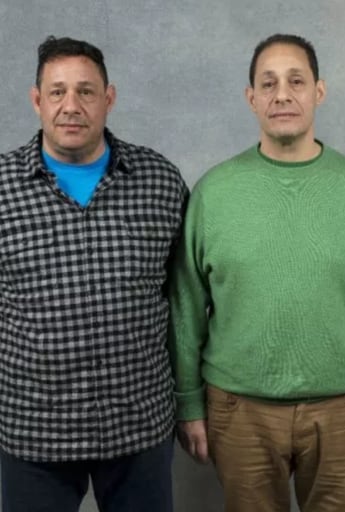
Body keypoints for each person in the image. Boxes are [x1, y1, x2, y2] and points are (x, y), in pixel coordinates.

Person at [168, 33, 345, 512]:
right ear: (251, 98)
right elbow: (186, 308)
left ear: (319, 92)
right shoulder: (214, 193)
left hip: (343, 409)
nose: (282, 94)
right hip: (239, 411)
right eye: (268, 83)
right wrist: (188, 403)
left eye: (295, 81)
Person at [0, 36, 188, 512]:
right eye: (57, 91)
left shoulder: (160, 181)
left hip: (139, 428)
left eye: (86, 91)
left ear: (109, 98)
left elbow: (185, 298)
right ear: (36, 100)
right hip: (34, 432)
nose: (71, 105)